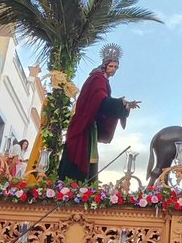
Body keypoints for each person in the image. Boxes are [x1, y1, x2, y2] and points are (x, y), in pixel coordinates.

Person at [58, 44, 139, 182]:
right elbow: (99, 100)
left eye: (116, 67)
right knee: (80, 159)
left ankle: (83, 190)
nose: (113, 69)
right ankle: (72, 189)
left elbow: (101, 105)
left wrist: (123, 106)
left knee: (89, 158)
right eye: (111, 66)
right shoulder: (97, 79)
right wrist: (122, 104)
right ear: (105, 65)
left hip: (90, 127)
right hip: (83, 126)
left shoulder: (103, 80)